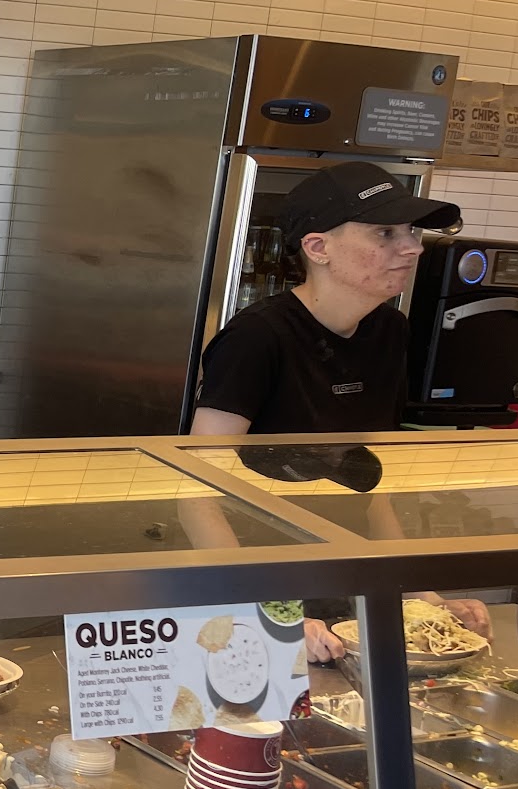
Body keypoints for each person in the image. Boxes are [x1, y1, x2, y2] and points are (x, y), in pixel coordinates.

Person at [185, 161, 486, 656]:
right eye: (385, 233)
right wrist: (269, 614)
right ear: (318, 247)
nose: (412, 247)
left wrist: (421, 599)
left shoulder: (389, 331)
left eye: (410, 232)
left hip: (342, 585)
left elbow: (371, 484)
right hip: (247, 587)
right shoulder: (257, 338)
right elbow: (196, 491)